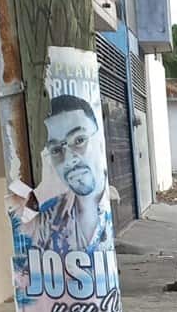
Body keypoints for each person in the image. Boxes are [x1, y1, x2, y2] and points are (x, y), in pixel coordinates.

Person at [29, 93, 114, 253]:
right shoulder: (47, 222)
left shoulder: (112, 204)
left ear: (100, 141)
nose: (68, 159)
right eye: (55, 150)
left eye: (79, 140)